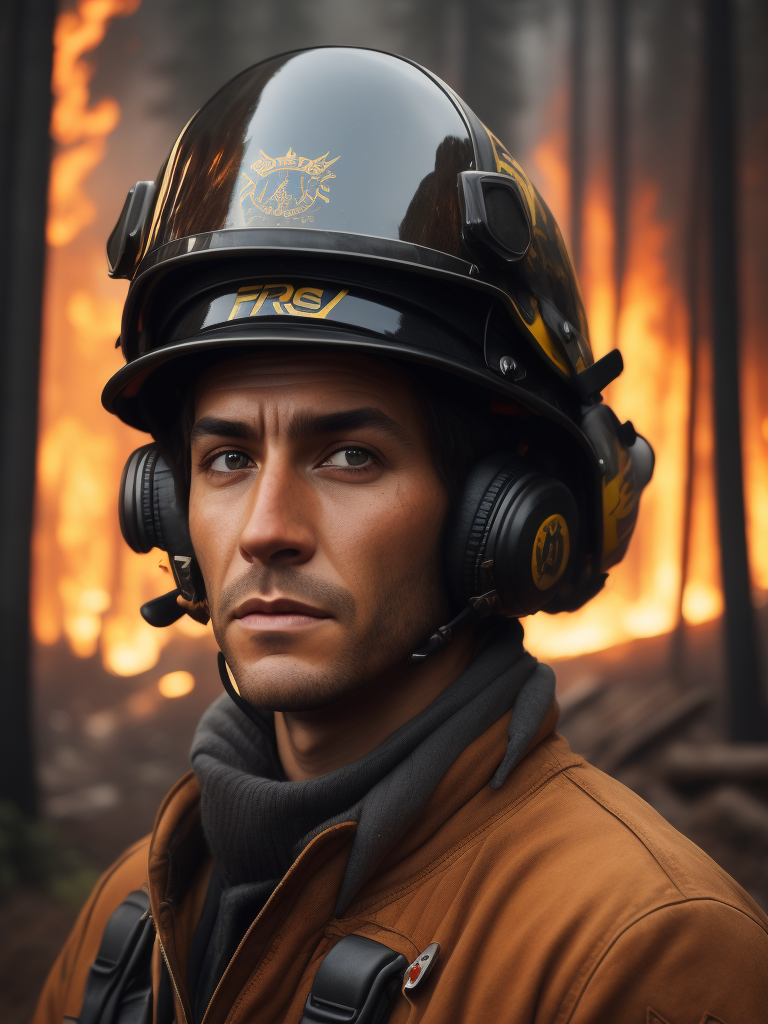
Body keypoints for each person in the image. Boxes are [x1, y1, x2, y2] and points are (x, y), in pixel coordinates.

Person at [33, 47, 768, 1024]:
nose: (266, 530)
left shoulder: (640, 952)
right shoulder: (131, 919)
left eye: (349, 457)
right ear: (166, 508)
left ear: (497, 524)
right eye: (227, 459)